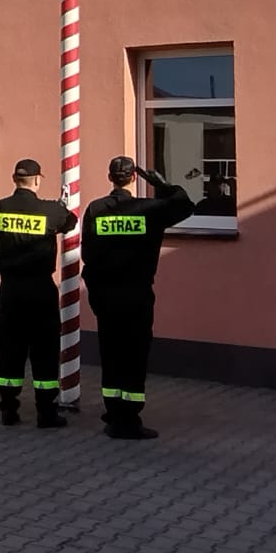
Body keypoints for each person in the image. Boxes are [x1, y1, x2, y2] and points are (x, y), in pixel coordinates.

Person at [81, 156, 195, 440]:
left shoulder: (95, 209)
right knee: (134, 355)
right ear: (134, 178)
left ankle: (113, 412)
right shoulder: (149, 210)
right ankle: (129, 420)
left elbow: (88, 256)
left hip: (106, 295)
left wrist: (95, 294)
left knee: (111, 353)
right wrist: (164, 186)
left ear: (110, 178)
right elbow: (185, 205)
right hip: (136, 294)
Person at [0, 158, 77, 428]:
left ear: (15, 179)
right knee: (45, 350)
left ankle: (9, 409)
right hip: (40, 289)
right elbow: (70, 222)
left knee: (10, 348)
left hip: (10, 289)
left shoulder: (0, 207)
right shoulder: (49, 210)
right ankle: (46, 412)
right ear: (37, 180)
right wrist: (61, 206)